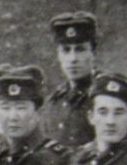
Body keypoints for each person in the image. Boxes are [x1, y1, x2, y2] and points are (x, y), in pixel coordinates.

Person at [41, 11, 98, 148]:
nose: (73, 59)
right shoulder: (53, 103)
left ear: (93, 53)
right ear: (58, 55)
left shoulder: (105, 97)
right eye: (66, 50)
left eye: (80, 49)